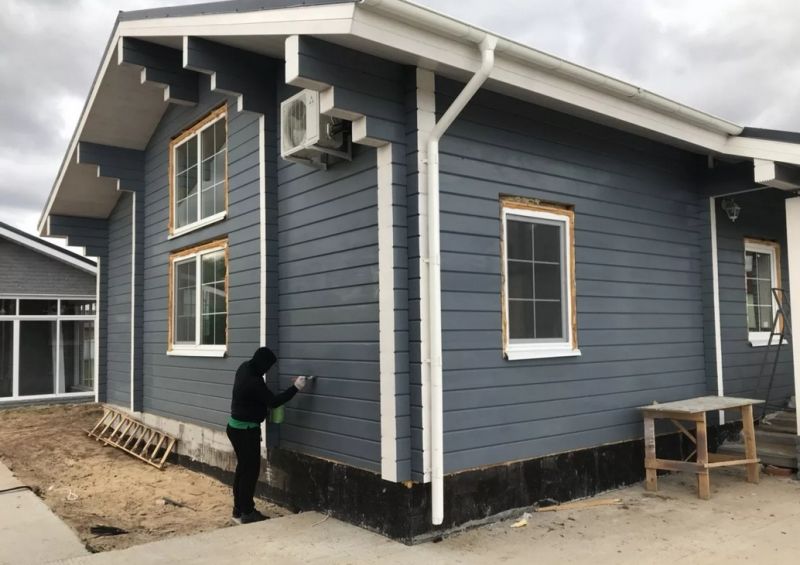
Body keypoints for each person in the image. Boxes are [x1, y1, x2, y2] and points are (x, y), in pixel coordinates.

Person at [227, 347, 307, 524]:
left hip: (235, 428)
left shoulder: (245, 367)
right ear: (263, 364)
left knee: (243, 469)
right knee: (250, 472)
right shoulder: (254, 381)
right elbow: (273, 401)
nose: (267, 370)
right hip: (246, 431)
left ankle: (238, 510)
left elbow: (257, 398)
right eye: (268, 366)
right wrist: (296, 387)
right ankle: (247, 512)